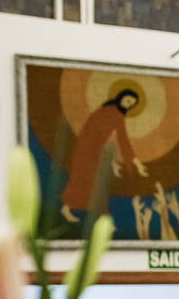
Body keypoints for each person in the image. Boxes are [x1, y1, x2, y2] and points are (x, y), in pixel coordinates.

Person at [60, 88, 149, 223]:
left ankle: (100, 216)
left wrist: (136, 163)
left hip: (95, 150)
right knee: (84, 180)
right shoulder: (108, 111)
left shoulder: (117, 115)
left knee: (95, 183)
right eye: (128, 100)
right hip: (87, 150)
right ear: (121, 97)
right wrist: (112, 160)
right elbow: (102, 134)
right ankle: (96, 216)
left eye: (131, 103)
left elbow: (122, 139)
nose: (129, 104)